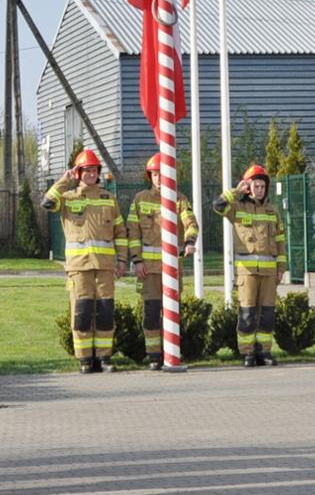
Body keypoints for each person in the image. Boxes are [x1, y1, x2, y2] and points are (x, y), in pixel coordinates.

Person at [43, 149, 127, 373]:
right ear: (78, 173)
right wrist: (64, 180)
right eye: (85, 170)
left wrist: (122, 260)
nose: (90, 174)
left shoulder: (109, 200)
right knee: (82, 313)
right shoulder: (68, 198)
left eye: (93, 170)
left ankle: (104, 358)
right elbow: (48, 203)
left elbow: (120, 233)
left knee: (105, 312)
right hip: (79, 269)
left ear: (98, 173)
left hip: (105, 267)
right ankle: (84, 360)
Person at [120, 153, 200, 370]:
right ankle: (154, 356)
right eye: (155, 175)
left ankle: (172, 352)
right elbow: (132, 233)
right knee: (152, 313)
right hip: (149, 269)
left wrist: (190, 241)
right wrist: (136, 260)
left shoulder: (180, 200)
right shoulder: (140, 200)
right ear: (150, 176)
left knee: (172, 313)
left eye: (162, 174)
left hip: (172, 269)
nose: (158, 178)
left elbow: (191, 223)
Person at [214, 163, 288, 367]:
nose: (259, 190)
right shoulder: (237, 209)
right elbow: (218, 205)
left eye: (262, 186)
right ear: (249, 187)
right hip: (246, 273)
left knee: (267, 315)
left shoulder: (273, 211)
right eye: (255, 186)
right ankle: (247, 354)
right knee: (247, 314)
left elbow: (281, 241)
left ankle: (264, 352)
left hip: (269, 274)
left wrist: (281, 268)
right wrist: (237, 191)